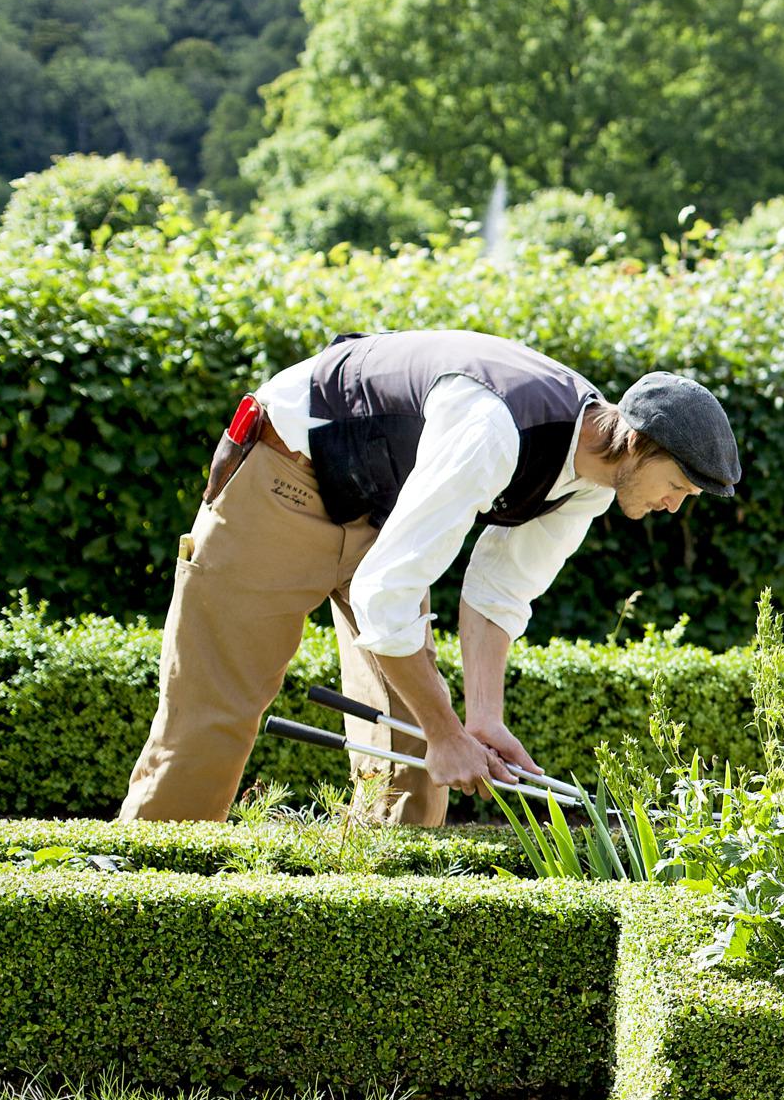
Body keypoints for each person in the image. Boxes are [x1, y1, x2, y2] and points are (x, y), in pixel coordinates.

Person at [118, 329, 742, 825]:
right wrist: (446, 730)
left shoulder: (592, 483)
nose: (673, 505)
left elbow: (498, 592)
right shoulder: (494, 429)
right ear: (636, 442)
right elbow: (383, 595)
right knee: (214, 715)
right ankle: (139, 900)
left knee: (415, 754)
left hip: (383, 506)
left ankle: (383, 919)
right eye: (677, 485)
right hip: (288, 471)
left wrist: (480, 720)